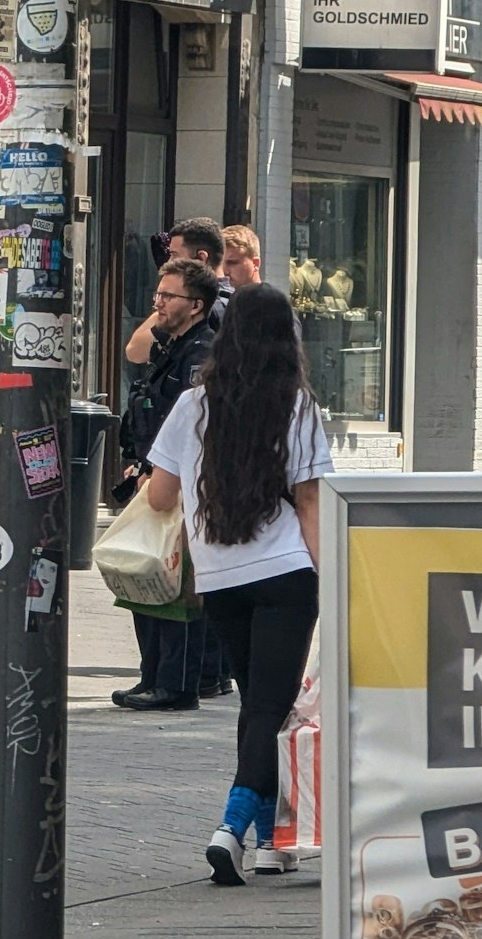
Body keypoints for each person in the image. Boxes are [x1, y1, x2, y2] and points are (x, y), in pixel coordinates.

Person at [142, 283, 332, 884]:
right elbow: (309, 501)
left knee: (258, 705)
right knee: (273, 708)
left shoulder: (194, 404)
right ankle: (232, 824)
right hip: (284, 575)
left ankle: (276, 841)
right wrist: (332, 579)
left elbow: (159, 494)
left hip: (220, 578)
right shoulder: (296, 406)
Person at [113, 258, 220, 713]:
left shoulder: (202, 355)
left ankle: (176, 684)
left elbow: (190, 428)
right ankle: (152, 675)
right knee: (146, 574)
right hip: (152, 474)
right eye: (158, 293)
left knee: (173, 584)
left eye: (168, 295)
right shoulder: (169, 347)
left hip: (180, 485)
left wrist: (162, 475)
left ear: (195, 305)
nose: (158, 302)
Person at [125, 218, 229, 365]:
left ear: (201, 258)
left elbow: (135, 351)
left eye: (174, 255)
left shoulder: (195, 305)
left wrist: (171, 303)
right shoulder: (235, 302)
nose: (169, 262)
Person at [222, 224, 262, 291]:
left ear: (255, 264)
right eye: (220, 264)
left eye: (232, 263)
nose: (224, 271)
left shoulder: (272, 300)